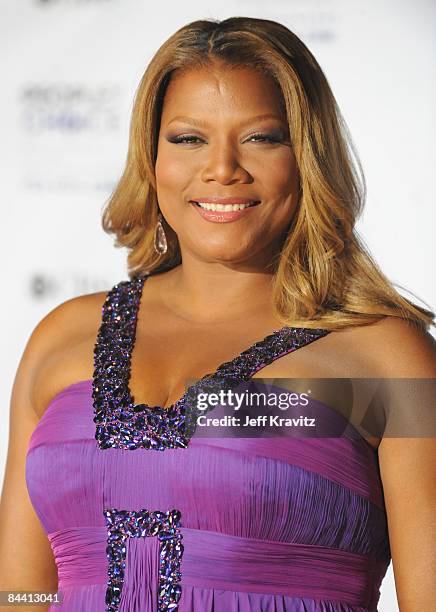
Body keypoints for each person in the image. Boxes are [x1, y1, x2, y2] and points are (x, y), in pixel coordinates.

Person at [0, 15, 435, 612]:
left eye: (260, 137)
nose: (222, 168)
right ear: (151, 155)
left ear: (306, 154)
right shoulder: (63, 336)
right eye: (187, 138)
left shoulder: (385, 357)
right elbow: (21, 593)